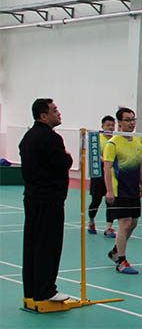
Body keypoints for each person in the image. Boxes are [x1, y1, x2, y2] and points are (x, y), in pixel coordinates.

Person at [19, 98, 73, 302]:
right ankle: (46, 290)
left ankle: (31, 290)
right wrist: (68, 156)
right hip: (49, 200)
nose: (58, 113)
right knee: (48, 245)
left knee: (32, 244)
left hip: (32, 198)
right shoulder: (51, 138)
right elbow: (63, 162)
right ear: (43, 116)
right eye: (54, 110)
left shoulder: (27, 137)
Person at [104, 107, 142, 274]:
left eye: (133, 119)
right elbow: (107, 168)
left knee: (133, 223)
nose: (131, 123)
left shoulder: (137, 140)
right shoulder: (112, 143)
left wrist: (141, 183)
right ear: (119, 123)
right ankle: (121, 261)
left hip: (133, 189)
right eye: (127, 120)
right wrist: (109, 191)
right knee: (125, 222)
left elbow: (140, 163)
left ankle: (115, 251)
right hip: (119, 190)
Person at [87, 115, 117, 238]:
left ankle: (108, 227)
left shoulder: (116, 139)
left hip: (112, 174)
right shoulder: (97, 139)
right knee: (96, 200)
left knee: (111, 201)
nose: (110, 127)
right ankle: (91, 222)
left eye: (112, 125)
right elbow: (95, 155)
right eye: (108, 125)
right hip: (99, 174)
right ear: (102, 126)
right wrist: (106, 161)